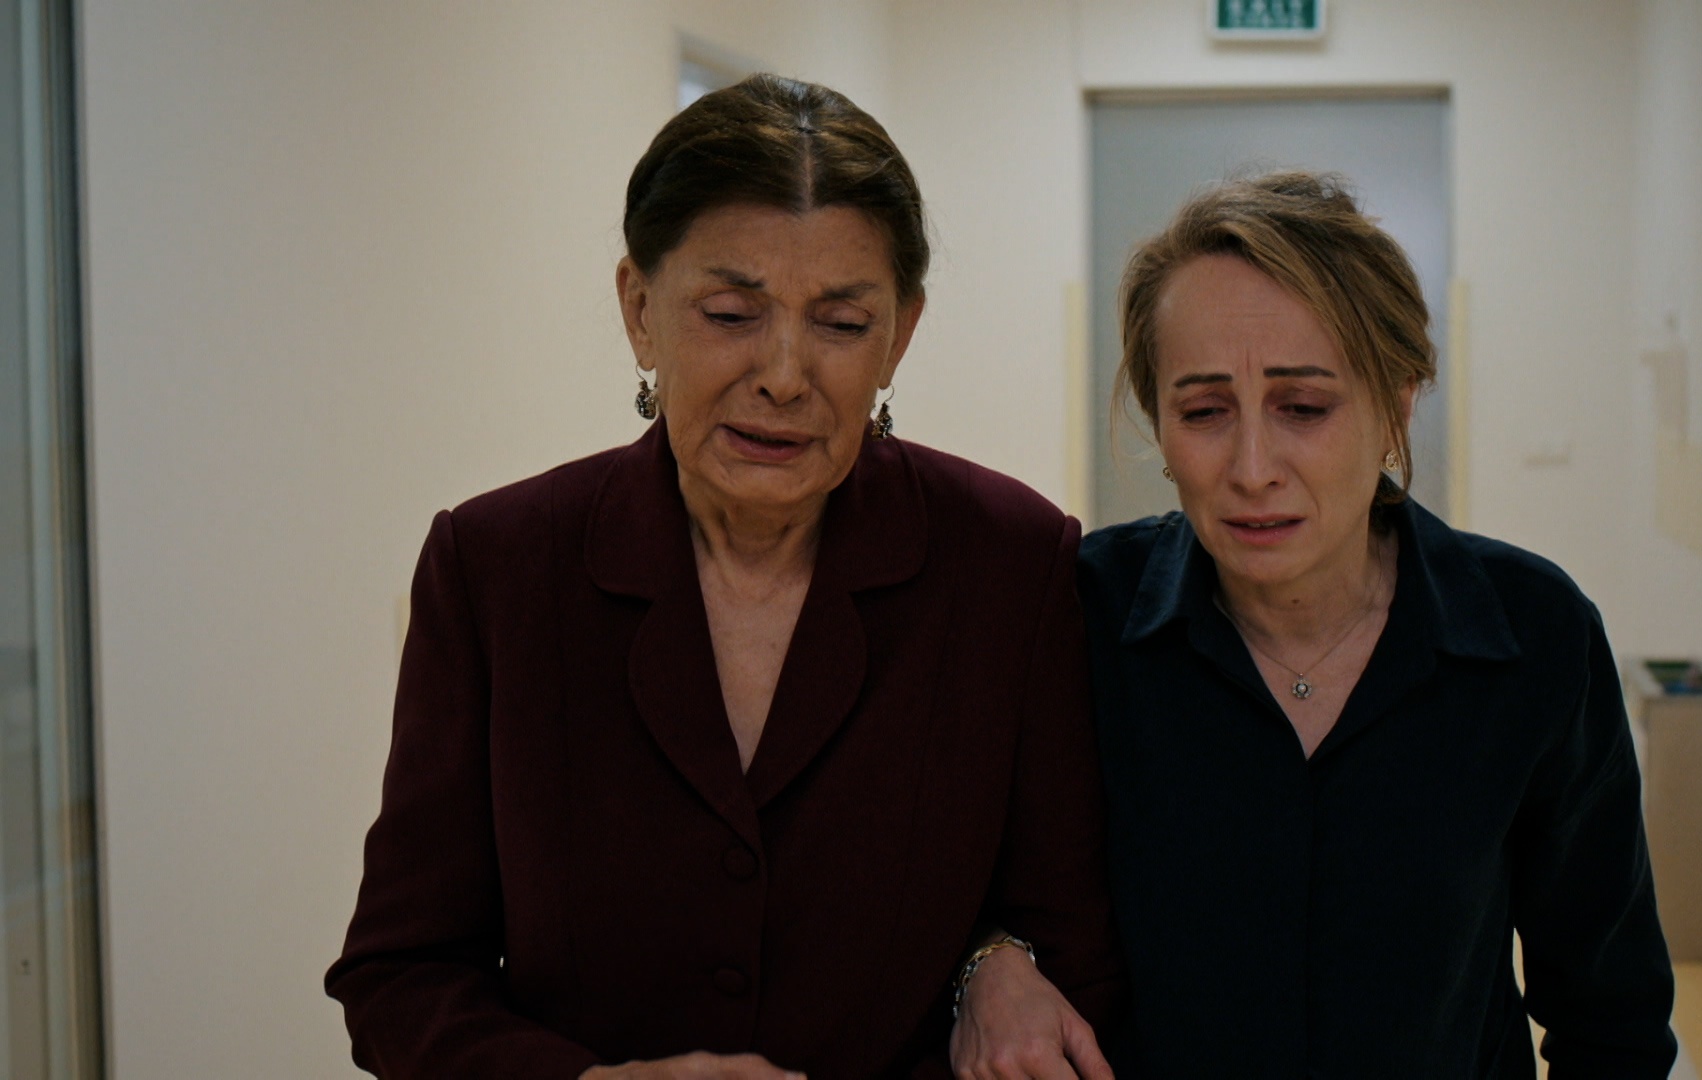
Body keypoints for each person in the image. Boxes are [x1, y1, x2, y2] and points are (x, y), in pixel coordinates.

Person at [325, 75, 1120, 1080]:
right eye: (732, 312)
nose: (784, 374)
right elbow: (401, 975)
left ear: (901, 335)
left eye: (841, 323)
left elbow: (1071, 944)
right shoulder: (497, 565)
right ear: (639, 309)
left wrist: (995, 960)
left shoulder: (1010, 563)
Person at [1074, 173, 1677, 1075]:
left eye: (1304, 408)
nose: (1252, 468)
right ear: (1159, 424)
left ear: (1398, 403)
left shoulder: (1533, 636)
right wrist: (990, 963)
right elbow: (981, 905)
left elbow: (1610, 1010)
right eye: (1203, 412)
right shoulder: (1080, 619)